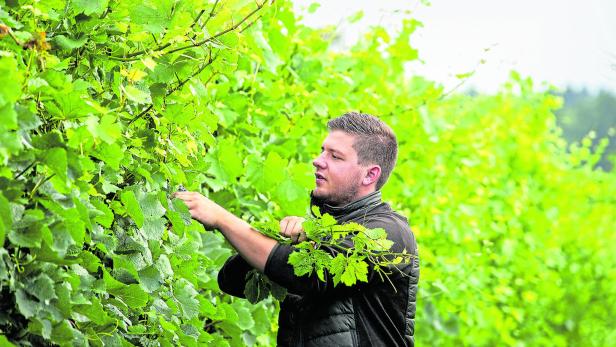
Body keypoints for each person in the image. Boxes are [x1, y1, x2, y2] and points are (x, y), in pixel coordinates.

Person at [174, 112, 420, 346]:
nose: (318, 160)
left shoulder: (389, 235)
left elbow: (309, 275)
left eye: (335, 156)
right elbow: (232, 282)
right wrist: (285, 240)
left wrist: (221, 218)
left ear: (370, 175)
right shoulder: (316, 232)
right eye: (322, 151)